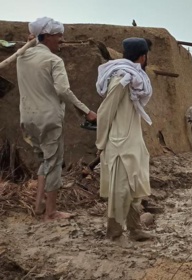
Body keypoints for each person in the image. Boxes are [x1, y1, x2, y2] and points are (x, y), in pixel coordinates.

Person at [18, 17, 97, 221]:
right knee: (53, 162)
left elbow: (30, 46)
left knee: (44, 160)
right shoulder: (54, 60)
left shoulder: (22, 56)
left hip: (27, 118)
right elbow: (63, 90)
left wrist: (33, 41)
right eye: (59, 36)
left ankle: (38, 207)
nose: (61, 40)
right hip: (48, 118)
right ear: (47, 36)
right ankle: (51, 212)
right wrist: (86, 110)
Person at [95, 37, 154, 241]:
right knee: (120, 190)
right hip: (119, 143)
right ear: (143, 57)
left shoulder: (135, 80)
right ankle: (114, 231)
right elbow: (105, 112)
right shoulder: (122, 79)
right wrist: (101, 143)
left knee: (135, 188)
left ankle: (135, 228)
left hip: (133, 141)